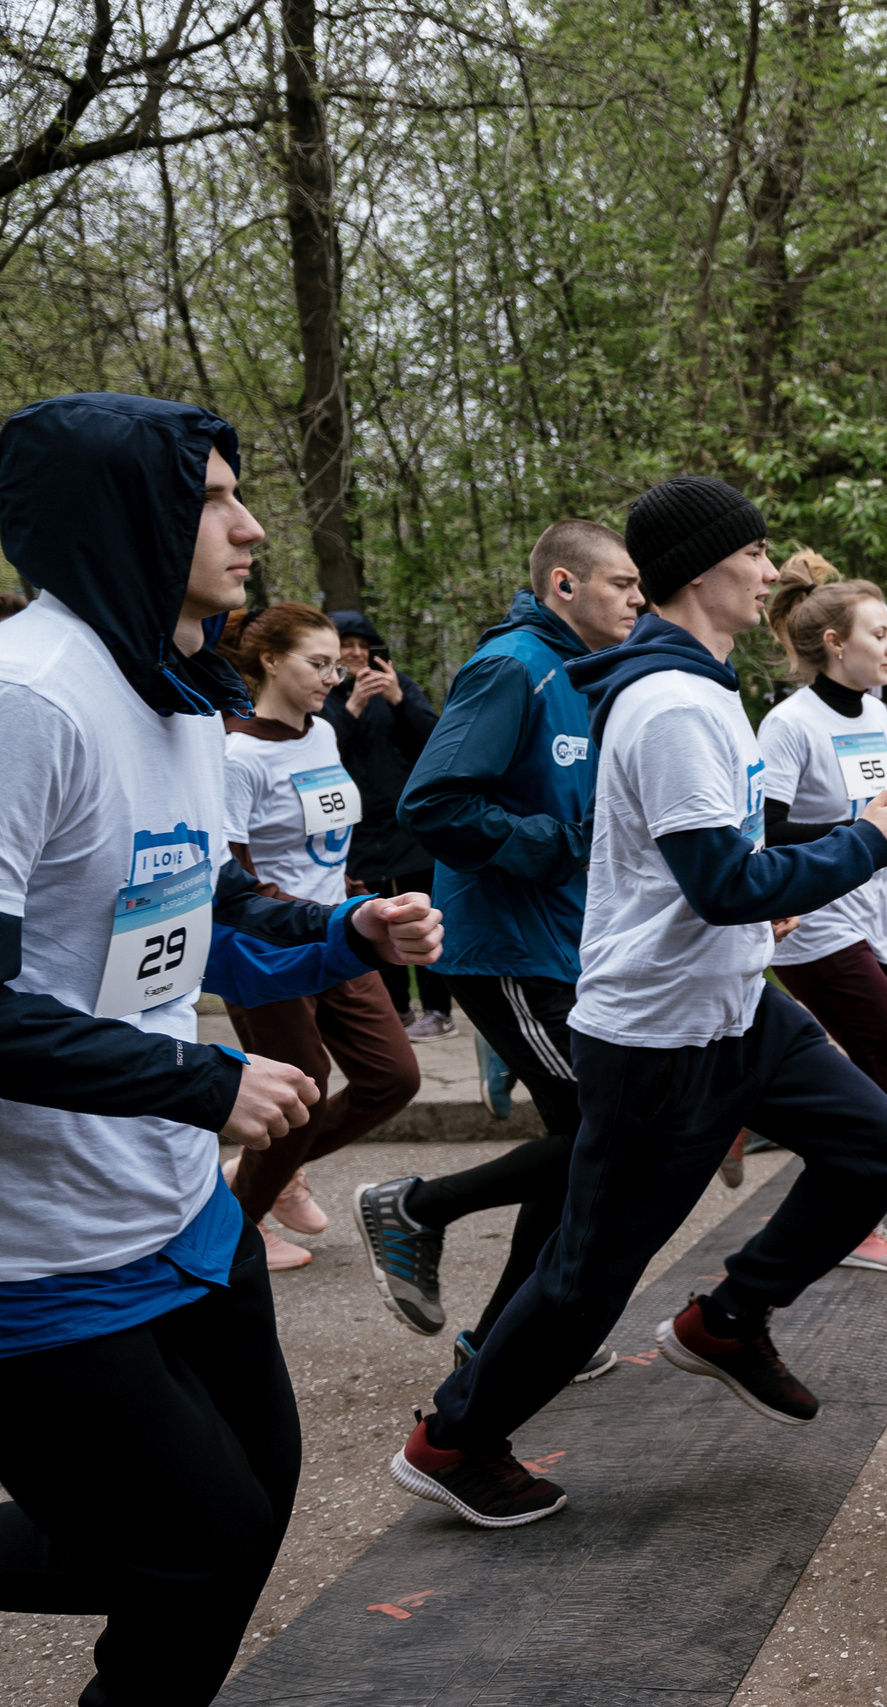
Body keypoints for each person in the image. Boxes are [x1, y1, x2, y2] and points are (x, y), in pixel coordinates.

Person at [0, 392, 443, 1707]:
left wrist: (345, 929)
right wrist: (203, 1080)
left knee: (239, 1519)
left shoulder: (183, 694)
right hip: (39, 1252)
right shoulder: (28, 697)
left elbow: (199, 911)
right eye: (209, 498)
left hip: (177, 1211)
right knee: (192, 1550)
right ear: (119, 513)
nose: (248, 526)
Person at [390, 475, 887, 1528]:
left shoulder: (703, 688)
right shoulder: (673, 703)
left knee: (878, 1148)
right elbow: (719, 882)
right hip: (659, 1034)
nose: (770, 572)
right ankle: (451, 1441)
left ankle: (728, 1319)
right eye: (755, 553)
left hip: (738, 1004)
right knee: (588, 1275)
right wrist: (865, 841)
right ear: (701, 569)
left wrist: (776, 901)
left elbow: (717, 870)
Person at [357, 519, 645, 1378]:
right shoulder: (512, 665)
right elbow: (435, 800)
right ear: (565, 584)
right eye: (622, 583)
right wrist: (559, 846)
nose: (638, 599)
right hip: (506, 945)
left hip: (561, 940)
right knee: (605, 1132)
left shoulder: (590, 671)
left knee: (585, 1143)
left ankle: (497, 1347)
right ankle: (417, 1204)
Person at [758, 549, 887, 1270]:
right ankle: (851, 1216)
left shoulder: (875, 712)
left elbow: (874, 807)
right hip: (813, 924)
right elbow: (766, 831)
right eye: (879, 634)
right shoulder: (789, 723)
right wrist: (862, 833)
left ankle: (748, 1108)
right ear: (833, 643)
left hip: (871, 919)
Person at [220, 602, 425, 1270]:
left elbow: (327, 842)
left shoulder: (324, 734)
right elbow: (234, 884)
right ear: (270, 661)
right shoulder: (236, 754)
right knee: (297, 1092)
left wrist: (355, 900)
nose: (333, 679)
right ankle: (234, 1229)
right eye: (317, 664)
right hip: (272, 950)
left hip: (341, 933)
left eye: (337, 666)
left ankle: (266, 1172)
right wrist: (318, 917)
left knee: (393, 1078)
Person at [323, 609, 449, 1037]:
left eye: (364, 645)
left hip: (407, 828)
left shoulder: (399, 686)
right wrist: (352, 707)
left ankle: (438, 1010)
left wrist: (398, 698)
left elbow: (435, 742)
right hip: (355, 834)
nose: (356, 653)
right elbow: (317, 755)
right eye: (347, 645)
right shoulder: (323, 697)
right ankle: (397, 1011)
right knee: (377, 918)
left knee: (422, 913)